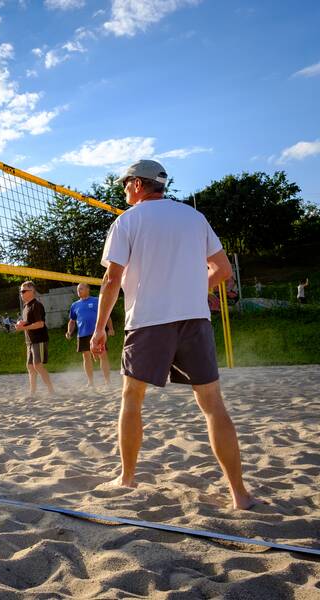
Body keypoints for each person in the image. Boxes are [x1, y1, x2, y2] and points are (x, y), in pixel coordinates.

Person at [91, 159, 254, 510]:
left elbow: (111, 280)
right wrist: (195, 289)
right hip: (194, 319)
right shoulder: (194, 217)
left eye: (125, 184)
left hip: (148, 321)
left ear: (137, 184)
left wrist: (100, 326)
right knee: (213, 405)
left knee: (132, 398)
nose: (123, 189)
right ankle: (240, 494)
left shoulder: (126, 221)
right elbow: (222, 270)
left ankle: (127, 477)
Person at [67, 283, 114, 388]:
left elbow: (106, 315)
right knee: (86, 357)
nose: (79, 291)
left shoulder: (96, 301)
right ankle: (91, 382)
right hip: (82, 334)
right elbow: (72, 321)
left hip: (96, 333)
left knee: (103, 355)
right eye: (78, 289)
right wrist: (69, 332)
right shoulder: (74, 305)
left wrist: (110, 328)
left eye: (81, 289)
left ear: (88, 289)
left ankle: (108, 381)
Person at [15, 281, 54, 396]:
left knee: (38, 365)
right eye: (20, 291)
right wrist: (21, 323)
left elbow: (40, 324)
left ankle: (51, 390)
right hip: (30, 341)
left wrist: (23, 327)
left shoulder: (36, 305)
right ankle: (32, 393)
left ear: (32, 291)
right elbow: (29, 322)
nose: (21, 293)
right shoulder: (26, 307)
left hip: (39, 339)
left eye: (23, 291)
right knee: (30, 366)